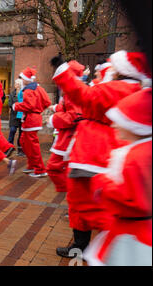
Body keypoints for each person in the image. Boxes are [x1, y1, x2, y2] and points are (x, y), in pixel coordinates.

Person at [51, 51, 148, 258]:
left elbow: (83, 95)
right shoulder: (136, 90)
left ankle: (84, 247)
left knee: (80, 203)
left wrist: (62, 71)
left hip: (91, 152)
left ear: (121, 71)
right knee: (97, 202)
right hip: (109, 151)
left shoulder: (115, 87)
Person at [84, 87, 152, 266]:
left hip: (133, 233)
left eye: (120, 120)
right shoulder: (139, 151)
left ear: (134, 125)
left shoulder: (137, 157)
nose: (114, 125)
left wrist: (101, 182)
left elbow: (132, 199)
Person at [46, 61, 84, 193]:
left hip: (70, 137)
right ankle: (73, 198)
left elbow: (75, 115)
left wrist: (53, 119)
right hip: (67, 136)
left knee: (54, 168)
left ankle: (74, 196)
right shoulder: (71, 92)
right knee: (63, 169)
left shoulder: (75, 92)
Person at [12, 67, 51, 178]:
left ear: (26, 79)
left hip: (30, 120)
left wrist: (16, 106)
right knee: (24, 142)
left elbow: (29, 105)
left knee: (32, 146)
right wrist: (39, 110)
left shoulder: (29, 90)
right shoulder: (39, 88)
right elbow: (47, 102)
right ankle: (32, 165)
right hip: (34, 118)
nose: (21, 79)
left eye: (22, 78)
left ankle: (39, 169)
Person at [8, 78, 24, 156]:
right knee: (12, 130)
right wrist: (16, 106)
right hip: (14, 115)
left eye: (17, 84)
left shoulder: (23, 94)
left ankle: (20, 150)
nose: (16, 85)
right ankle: (9, 148)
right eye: (15, 84)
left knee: (21, 134)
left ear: (20, 85)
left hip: (21, 116)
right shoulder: (12, 94)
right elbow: (10, 103)